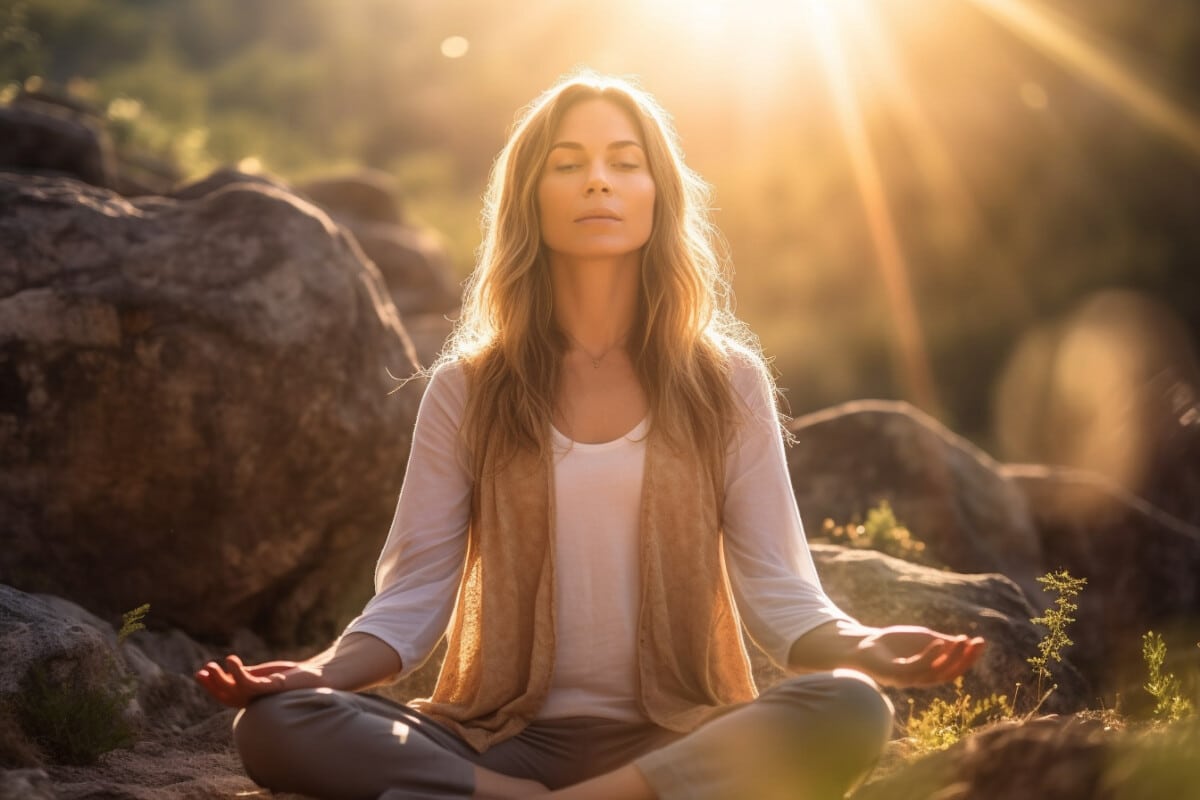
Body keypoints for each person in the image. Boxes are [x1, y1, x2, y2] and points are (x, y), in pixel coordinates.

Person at [196, 71, 986, 800]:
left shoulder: (728, 382)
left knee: (848, 705)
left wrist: (867, 644)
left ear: (658, 194)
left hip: (678, 734)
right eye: (567, 162)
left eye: (625, 161)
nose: (598, 180)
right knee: (272, 727)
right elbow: (411, 599)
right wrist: (317, 673)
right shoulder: (468, 388)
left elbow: (781, 594)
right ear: (531, 196)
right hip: (502, 739)